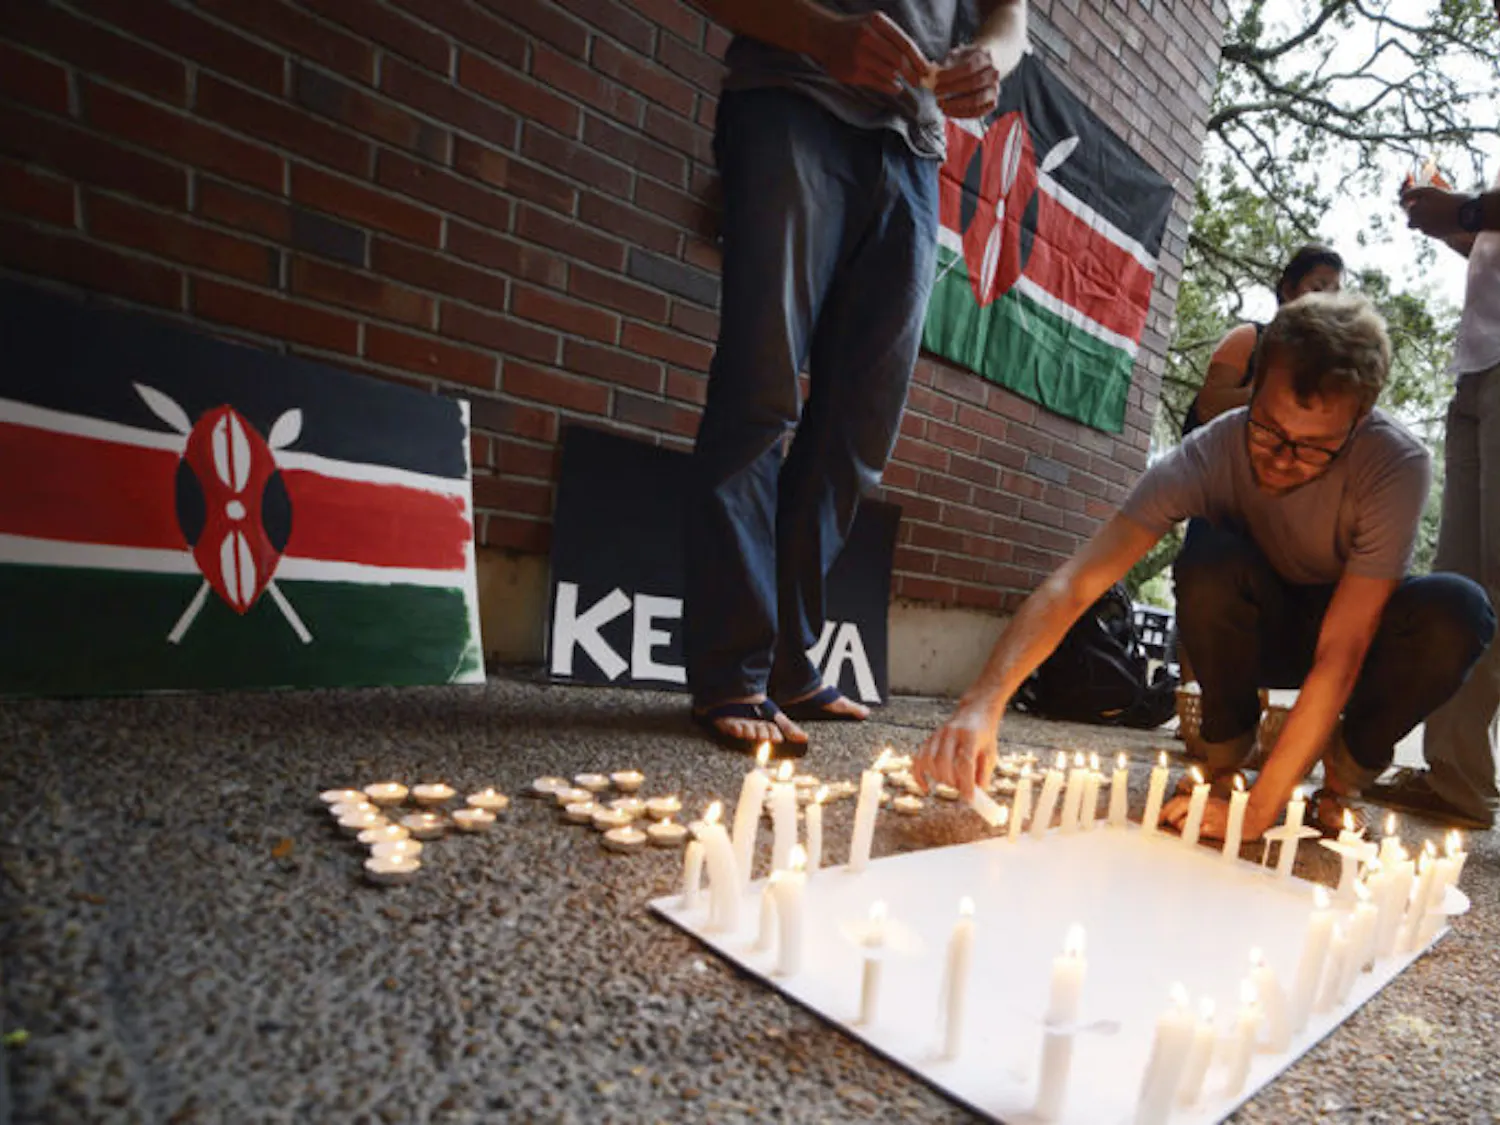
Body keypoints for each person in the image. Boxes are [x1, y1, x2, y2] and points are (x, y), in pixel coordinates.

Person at [913, 290, 1495, 841]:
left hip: (1350, 630)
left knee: (1458, 610)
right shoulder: (1210, 451)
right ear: (1255, 385)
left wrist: (1258, 816)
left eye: (1315, 446)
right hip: (1255, 623)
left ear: (1361, 417)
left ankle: (1343, 780)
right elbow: (1075, 583)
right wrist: (980, 706)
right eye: (1268, 430)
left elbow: (1341, 655)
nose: (1284, 461)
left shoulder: (1396, 464)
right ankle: (1224, 759)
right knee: (1210, 550)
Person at [684, 0, 1028, 756]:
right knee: (761, 387)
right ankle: (731, 668)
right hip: (792, 96)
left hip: (914, 151)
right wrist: (818, 33)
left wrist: (990, 61)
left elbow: (1013, 19)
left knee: (858, 424)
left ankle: (789, 656)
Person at [1362, 162, 1500, 829]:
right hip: (1478, 365)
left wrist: (1467, 209)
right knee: (1467, 586)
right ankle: (1458, 776)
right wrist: (1456, 226)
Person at [1181, 245, 1344, 437]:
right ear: (1288, 290)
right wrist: (1268, 393)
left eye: (1335, 295)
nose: (1326, 301)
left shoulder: (1328, 369)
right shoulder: (1248, 338)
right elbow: (1207, 408)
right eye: (1317, 288)